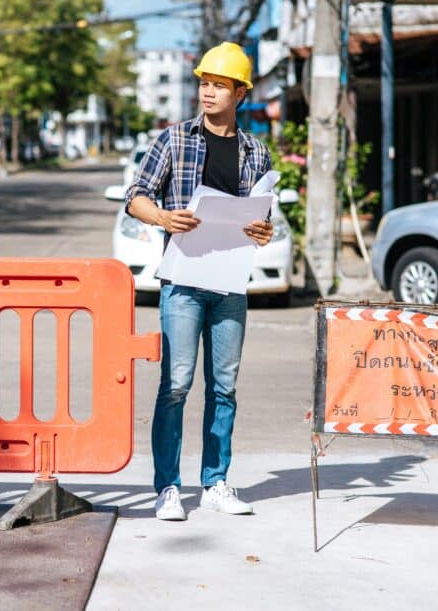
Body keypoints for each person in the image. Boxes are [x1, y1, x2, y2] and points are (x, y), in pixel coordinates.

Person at [124, 42, 274, 521]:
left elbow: (262, 218)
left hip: (230, 283)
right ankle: (168, 487)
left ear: (240, 93)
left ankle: (215, 483)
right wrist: (164, 217)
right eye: (204, 84)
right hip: (183, 281)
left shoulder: (256, 151)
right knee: (176, 385)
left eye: (219, 86)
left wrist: (263, 232)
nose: (208, 93)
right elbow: (135, 197)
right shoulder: (174, 140)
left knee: (224, 388)